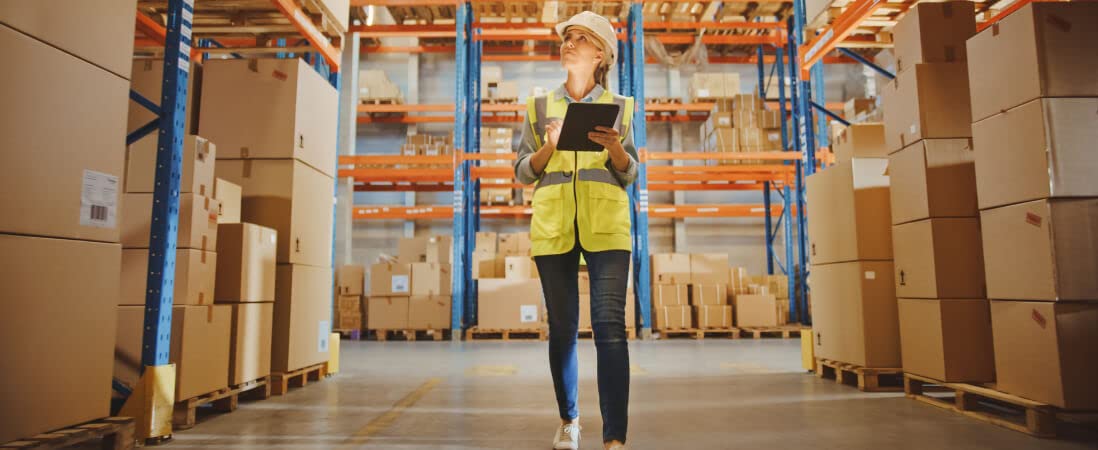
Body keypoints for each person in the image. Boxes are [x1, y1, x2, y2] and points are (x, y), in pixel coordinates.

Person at [512, 11, 638, 450]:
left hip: (607, 226)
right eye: (567, 38)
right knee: (563, 328)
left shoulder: (621, 107)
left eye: (580, 39)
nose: (568, 43)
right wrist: (549, 145)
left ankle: (614, 438)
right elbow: (522, 173)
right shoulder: (539, 107)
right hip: (554, 227)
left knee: (609, 327)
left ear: (599, 53)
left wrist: (616, 148)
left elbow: (630, 173)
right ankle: (570, 421)